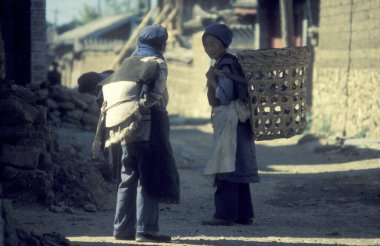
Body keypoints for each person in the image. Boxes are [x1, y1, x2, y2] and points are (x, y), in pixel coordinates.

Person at [92, 24, 179, 243]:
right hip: (148, 125)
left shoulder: (127, 64)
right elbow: (155, 96)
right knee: (149, 176)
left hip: (123, 127)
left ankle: (121, 229)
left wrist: (128, 113)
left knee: (127, 176)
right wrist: (140, 109)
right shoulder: (158, 63)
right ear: (162, 45)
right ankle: (146, 230)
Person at [201, 23, 259, 226]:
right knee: (239, 167)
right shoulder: (230, 61)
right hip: (240, 122)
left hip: (232, 122)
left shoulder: (224, 64)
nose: (209, 48)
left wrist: (212, 80)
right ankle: (244, 215)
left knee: (225, 165)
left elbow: (224, 97)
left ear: (223, 44)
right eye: (206, 44)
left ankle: (224, 215)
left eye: (213, 44)